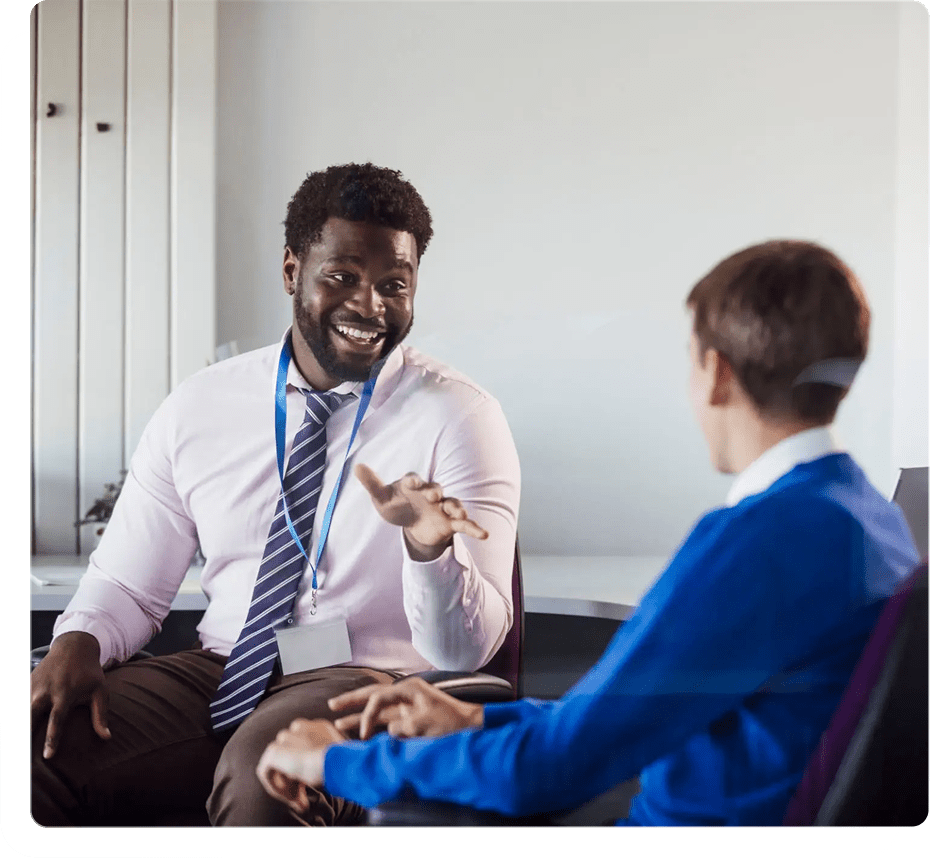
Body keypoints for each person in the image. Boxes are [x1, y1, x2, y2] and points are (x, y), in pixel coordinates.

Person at [256, 239, 920, 826]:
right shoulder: (870, 518)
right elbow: (619, 719)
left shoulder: (757, 542)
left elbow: (550, 770)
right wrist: (479, 717)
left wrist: (342, 762)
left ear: (717, 373)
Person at [30, 163, 520, 827]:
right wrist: (77, 641)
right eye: (342, 276)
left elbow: (467, 654)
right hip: (221, 669)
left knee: (271, 770)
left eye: (393, 285)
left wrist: (428, 548)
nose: (370, 305)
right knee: (28, 744)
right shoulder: (199, 406)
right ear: (293, 270)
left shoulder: (459, 417)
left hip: (369, 677)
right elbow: (128, 583)